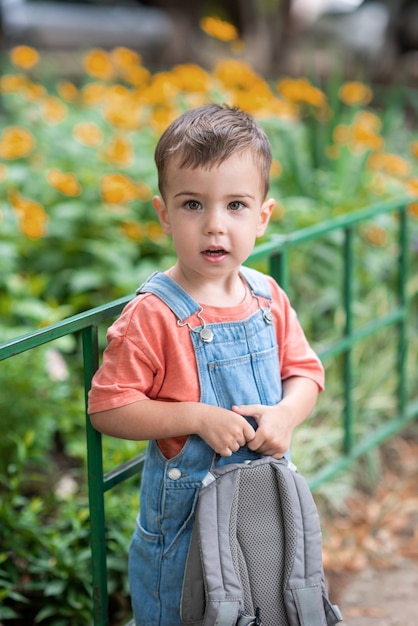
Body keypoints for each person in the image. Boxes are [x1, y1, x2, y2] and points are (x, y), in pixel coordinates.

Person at [88, 103, 325, 626]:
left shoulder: (267, 297)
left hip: (262, 517)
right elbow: (109, 408)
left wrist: (285, 416)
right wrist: (196, 417)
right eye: (193, 204)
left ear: (263, 216)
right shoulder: (153, 314)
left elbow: (306, 372)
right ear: (164, 214)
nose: (215, 225)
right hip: (185, 535)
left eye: (236, 205)